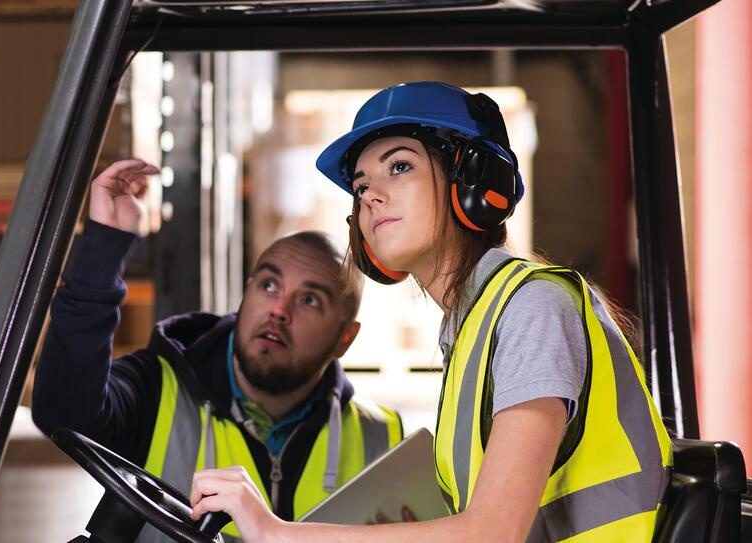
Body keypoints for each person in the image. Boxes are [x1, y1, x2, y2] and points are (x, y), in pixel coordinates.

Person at [189, 82, 673, 542]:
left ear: (474, 181)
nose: (371, 195)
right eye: (360, 187)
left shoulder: (533, 308)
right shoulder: (470, 328)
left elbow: (491, 534)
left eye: (399, 167)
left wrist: (277, 532)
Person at [31, 159, 404, 541]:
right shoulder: (157, 390)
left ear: (345, 338)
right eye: (269, 286)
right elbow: (62, 414)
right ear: (246, 293)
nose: (279, 311)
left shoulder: (383, 441)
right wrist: (104, 248)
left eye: (309, 300)